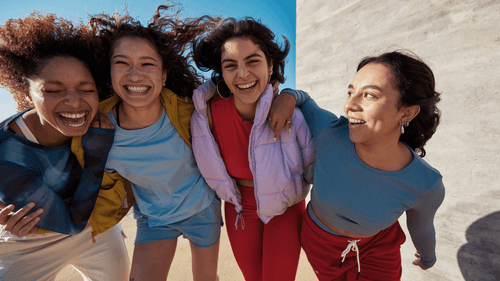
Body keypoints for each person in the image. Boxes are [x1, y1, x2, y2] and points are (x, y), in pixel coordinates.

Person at [268, 51, 445, 280]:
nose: (349, 105)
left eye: (369, 95)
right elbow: (305, 99)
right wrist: (288, 96)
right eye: (350, 93)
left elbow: (421, 227)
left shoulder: (426, 184)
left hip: (379, 249)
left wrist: (428, 257)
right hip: (320, 245)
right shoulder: (329, 132)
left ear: (407, 112)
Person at [88, 4, 221, 281]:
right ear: (109, 72)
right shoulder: (95, 125)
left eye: (147, 64)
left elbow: (240, 95)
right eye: (122, 63)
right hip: (153, 217)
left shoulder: (188, 113)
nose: (135, 75)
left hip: (201, 209)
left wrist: (289, 94)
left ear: (163, 76)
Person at [0, 13, 129, 280]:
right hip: (27, 239)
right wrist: (96, 158)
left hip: (96, 228)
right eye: (53, 91)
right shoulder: (7, 155)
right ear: (27, 93)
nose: (74, 101)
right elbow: (71, 223)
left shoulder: (103, 117)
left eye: (86, 89)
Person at [190, 17, 314, 281]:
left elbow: (318, 165)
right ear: (221, 73)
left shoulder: (293, 114)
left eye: (253, 61)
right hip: (239, 209)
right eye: (230, 65)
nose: (243, 74)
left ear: (270, 65)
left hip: (285, 207)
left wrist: (293, 95)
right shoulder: (207, 115)